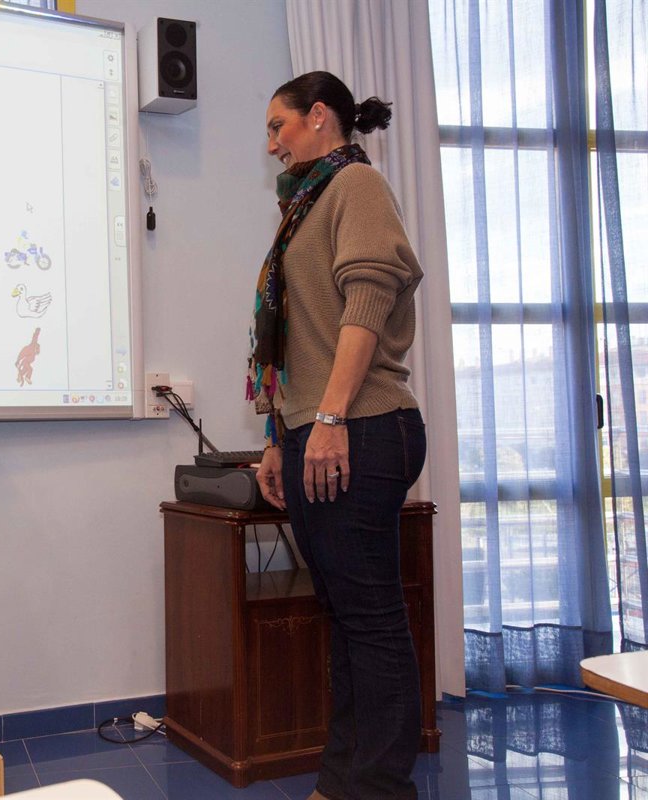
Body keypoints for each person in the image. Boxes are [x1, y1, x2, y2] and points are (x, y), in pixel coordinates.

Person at [249, 71, 427, 800]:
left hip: (362, 426)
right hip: (313, 430)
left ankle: (378, 788)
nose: (271, 144)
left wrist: (327, 419)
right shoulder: (304, 204)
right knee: (347, 619)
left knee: (372, 620)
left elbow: (366, 303)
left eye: (278, 126)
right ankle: (340, 781)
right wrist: (277, 436)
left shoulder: (356, 185)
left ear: (319, 116)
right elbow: (298, 338)